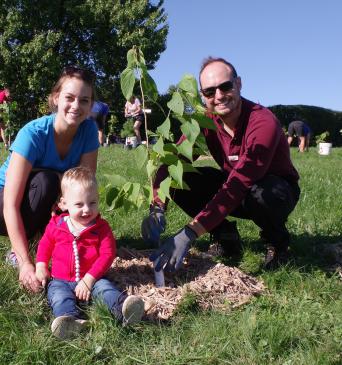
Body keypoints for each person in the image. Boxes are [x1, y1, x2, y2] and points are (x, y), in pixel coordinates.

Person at [142, 57, 300, 272]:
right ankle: (226, 237)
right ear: (203, 96)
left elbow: (241, 181)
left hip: (274, 191)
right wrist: (157, 206)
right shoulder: (206, 122)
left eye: (225, 86)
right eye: (209, 92)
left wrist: (190, 232)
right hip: (234, 187)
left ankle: (278, 243)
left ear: (239, 84)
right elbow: (173, 163)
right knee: (182, 178)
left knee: (264, 194)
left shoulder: (262, 122)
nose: (218, 96)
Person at [0, 66, 100, 293]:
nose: (76, 106)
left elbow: (85, 190)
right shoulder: (33, 134)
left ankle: (45, 242)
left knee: (70, 190)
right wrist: (25, 263)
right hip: (4, 203)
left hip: (47, 200)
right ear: (56, 98)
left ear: (91, 106)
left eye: (84, 100)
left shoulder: (89, 132)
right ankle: (19, 251)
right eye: (69, 98)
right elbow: (10, 205)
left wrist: (93, 243)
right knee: (48, 181)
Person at [35, 167, 145, 339]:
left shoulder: (101, 228)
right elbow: (45, 245)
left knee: (106, 290)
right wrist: (41, 265)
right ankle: (70, 321)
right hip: (61, 280)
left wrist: (89, 279)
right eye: (79, 204)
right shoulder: (56, 225)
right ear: (63, 204)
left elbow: (107, 255)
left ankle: (125, 310)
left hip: (93, 279)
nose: (87, 210)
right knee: (58, 297)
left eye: (92, 203)